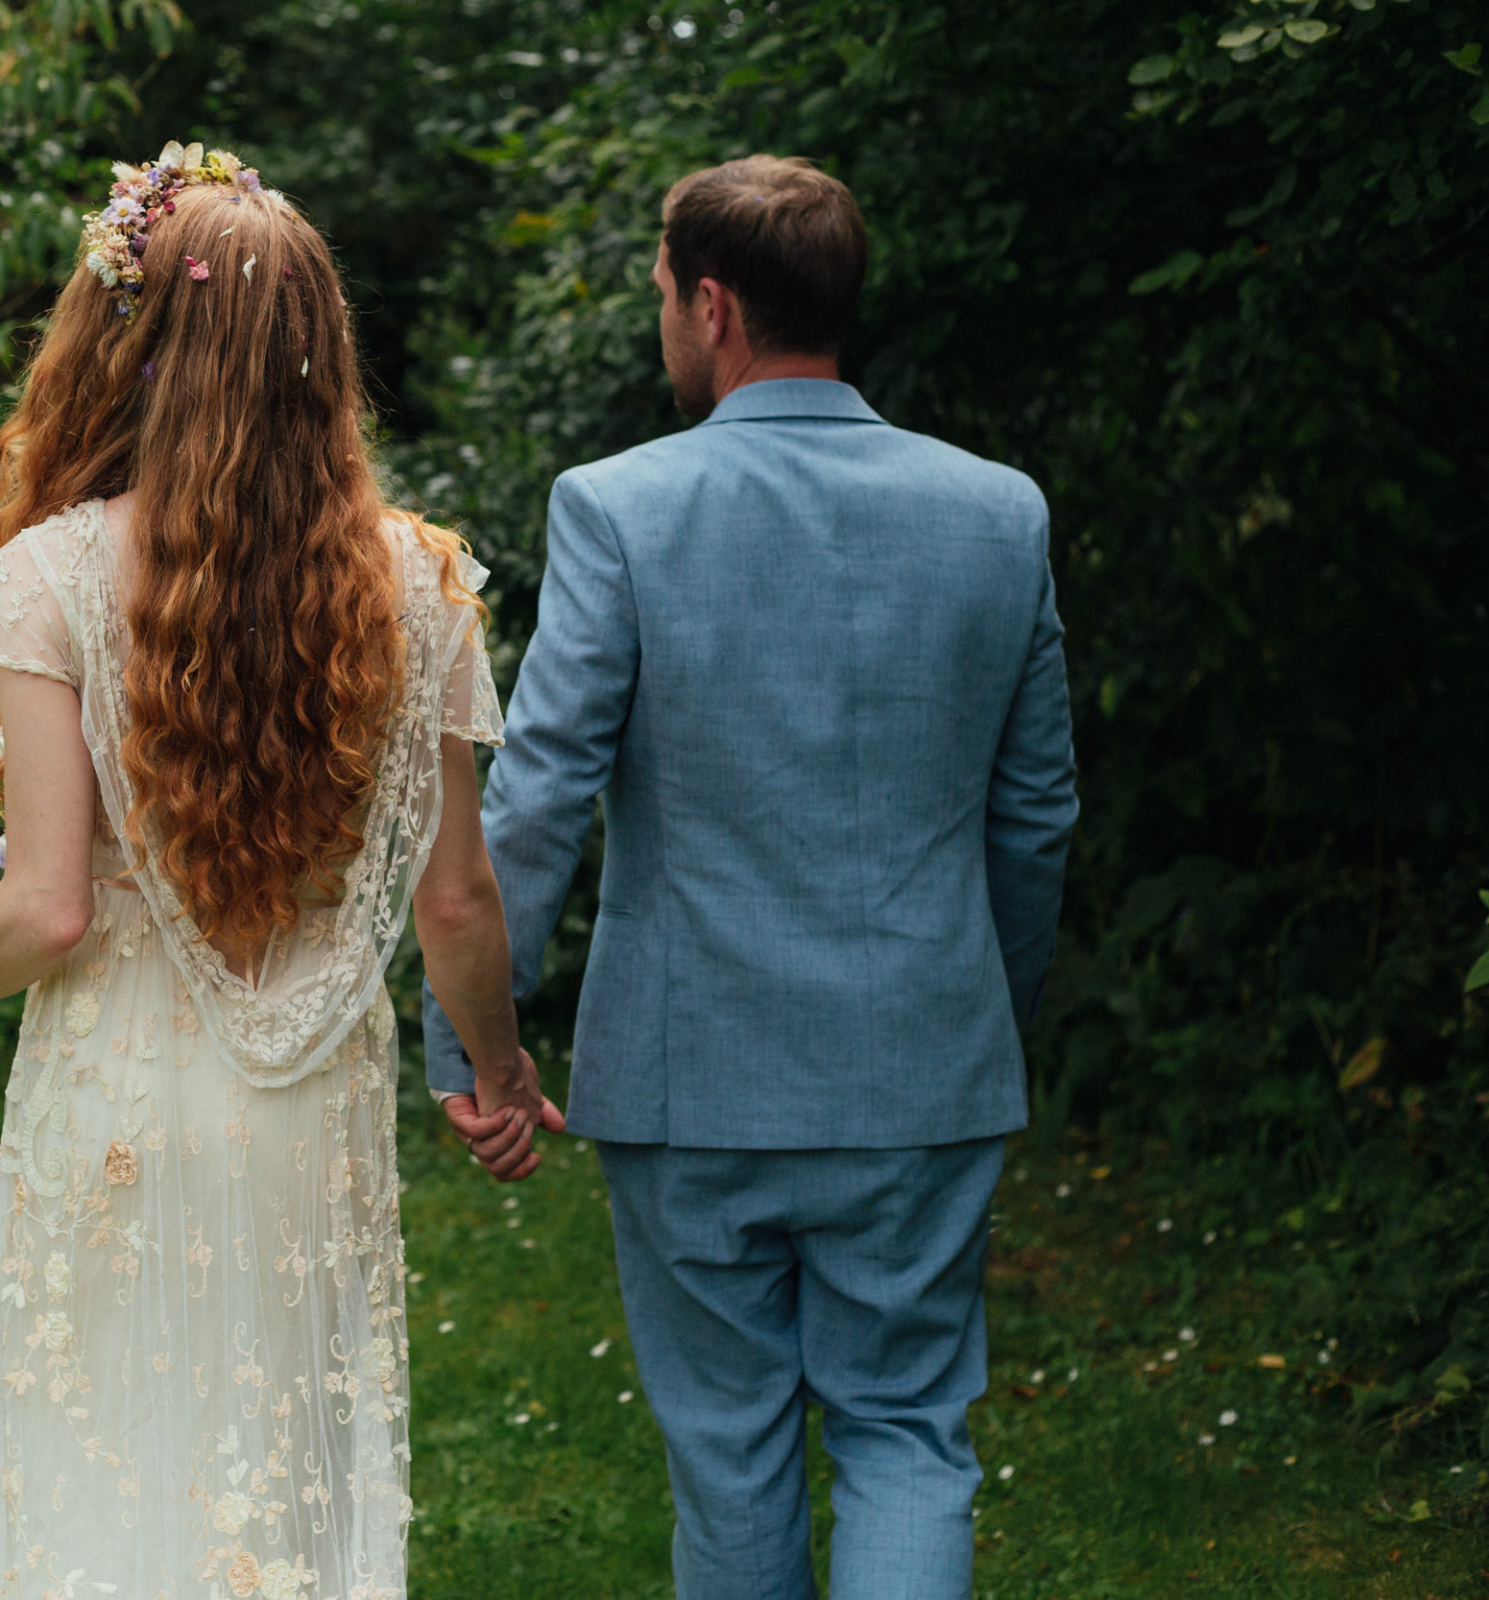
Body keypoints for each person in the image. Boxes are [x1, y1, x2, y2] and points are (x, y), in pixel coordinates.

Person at [0, 141, 558, 1600]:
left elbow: (49, 907)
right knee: (280, 1483)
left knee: (103, 1467)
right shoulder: (422, 584)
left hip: (116, 1096)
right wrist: (498, 1069)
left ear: (133, 346)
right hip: (313, 1110)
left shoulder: (51, 577)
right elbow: (458, 897)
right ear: (321, 353)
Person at [423, 154, 1078, 1599]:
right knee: (908, 1431)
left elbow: (539, 797)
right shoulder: (1001, 512)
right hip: (923, 1063)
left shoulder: (619, 508)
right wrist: (985, 1011)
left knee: (729, 1454)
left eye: (664, 292)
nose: (662, 317)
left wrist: (473, 1044)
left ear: (713, 306)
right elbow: (1035, 815)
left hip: (691, 1079)